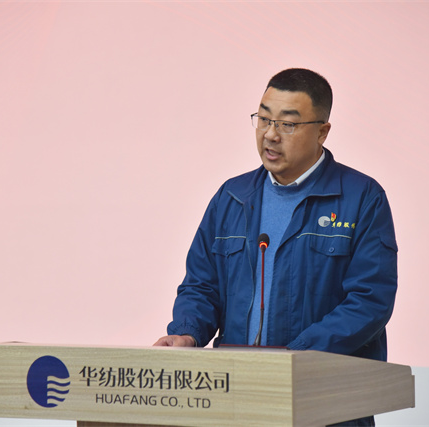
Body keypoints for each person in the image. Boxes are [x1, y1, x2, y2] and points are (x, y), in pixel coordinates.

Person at [154, 68, 398, 426]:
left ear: (322, 132)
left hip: (325, 402)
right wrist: (187, 332)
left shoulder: (361, 198)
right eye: (264, 119)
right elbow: (201, 286)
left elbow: (369, 301)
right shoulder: (232, 197)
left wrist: (294, 356)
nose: (270, 134)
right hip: (238, 399)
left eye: (288, 124)